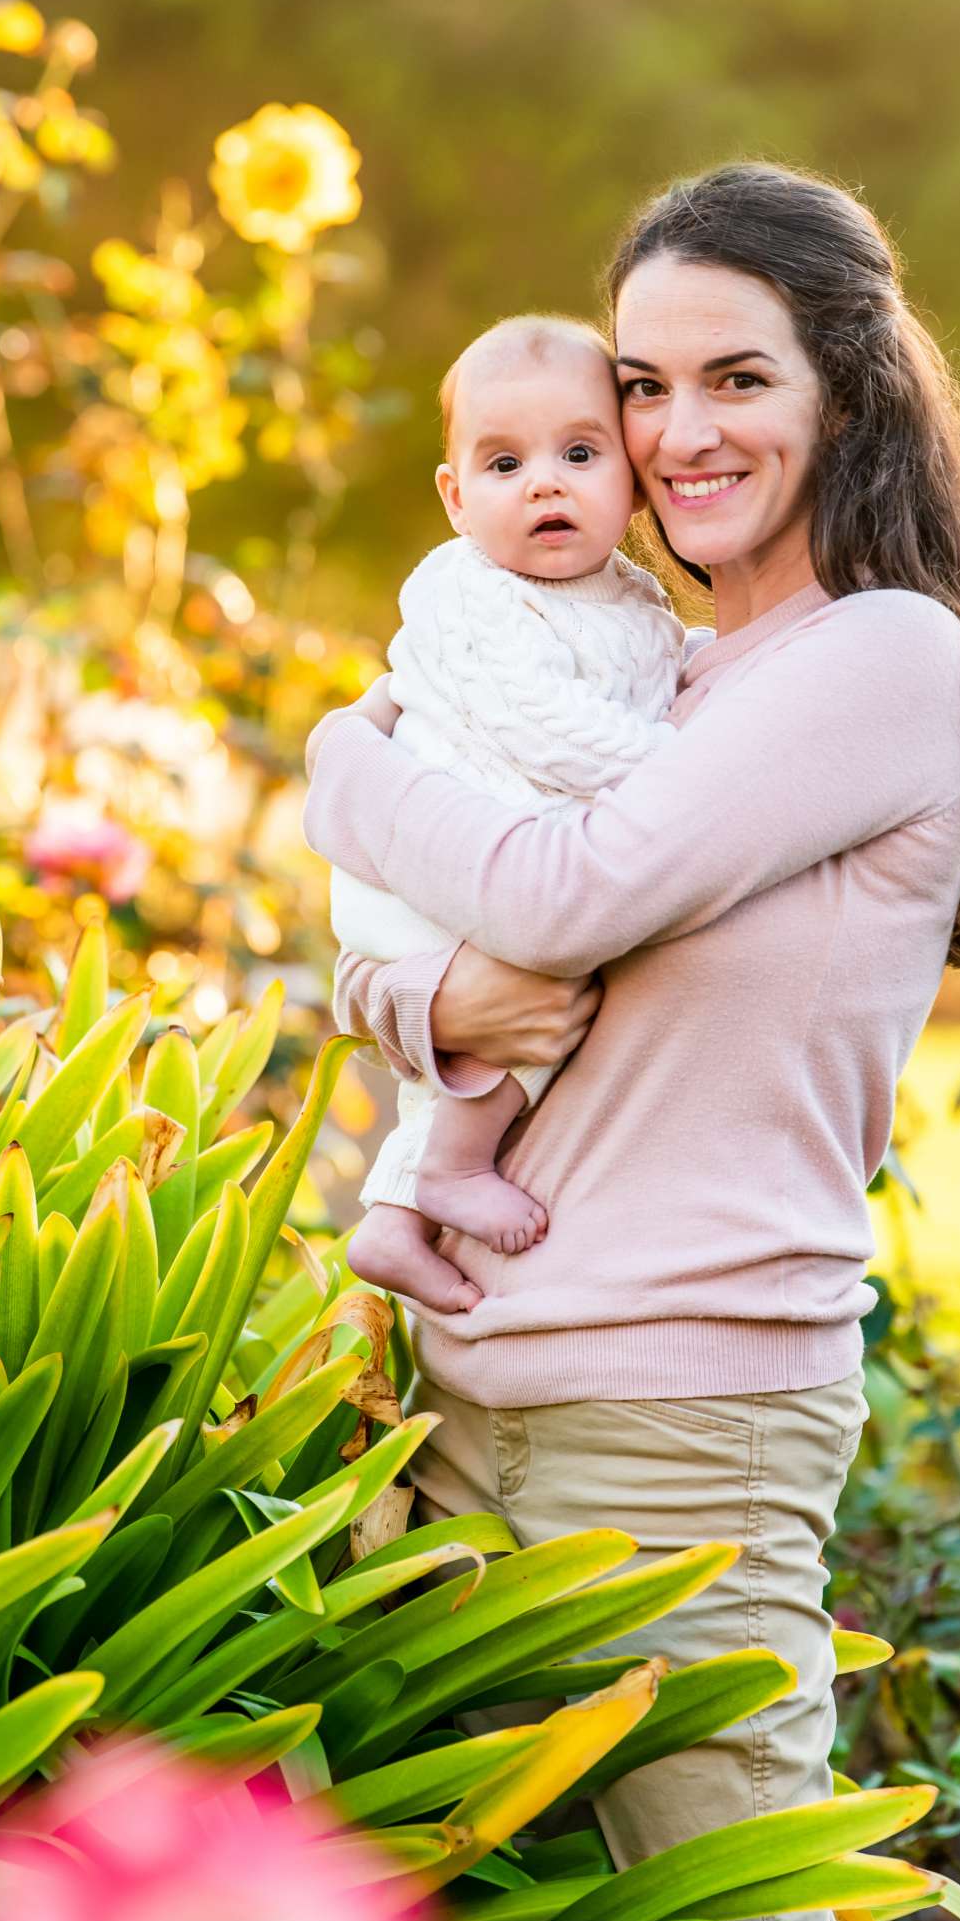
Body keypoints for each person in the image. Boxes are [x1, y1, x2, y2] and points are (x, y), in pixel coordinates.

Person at [303, 163, 960, 1921]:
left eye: (736, 377)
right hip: (473, 1395)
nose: (675, 432)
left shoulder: (878, 662)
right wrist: (416, 999)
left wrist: (336, 762)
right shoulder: (647, 667)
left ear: (849, 389)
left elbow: (563, 902)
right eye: (641, 386)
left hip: (680, 1432)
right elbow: (492, 972)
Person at [324, 312, 683, 1315]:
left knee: (540, 1000)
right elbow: (554, 732)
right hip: (422, 870)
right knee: (541, 987)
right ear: (454, 498)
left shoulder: (634, 602)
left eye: (579, 453)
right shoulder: (471, 594)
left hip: (484, 856)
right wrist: (689, 770)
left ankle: (397, 1218)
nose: (545, 482)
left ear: (630, 475)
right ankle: (448, 1173)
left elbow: (645, 689)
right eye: (504, 463)